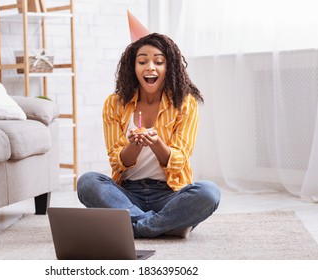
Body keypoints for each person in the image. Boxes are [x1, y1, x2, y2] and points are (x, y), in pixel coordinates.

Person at [77, 33, 220, 238]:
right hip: (128, 193)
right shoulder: (114, 103)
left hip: (169, 194)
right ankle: (165, 224)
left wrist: (156, 143)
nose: (150, 67)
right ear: (133, 67)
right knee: (88, 182)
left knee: (209, 192)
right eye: (142, 61)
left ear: (168, 67)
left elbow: (178, 160)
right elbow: (116, 162)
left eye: (158, 61)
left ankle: (135, 226)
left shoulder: (185, 103)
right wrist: (134, 145)